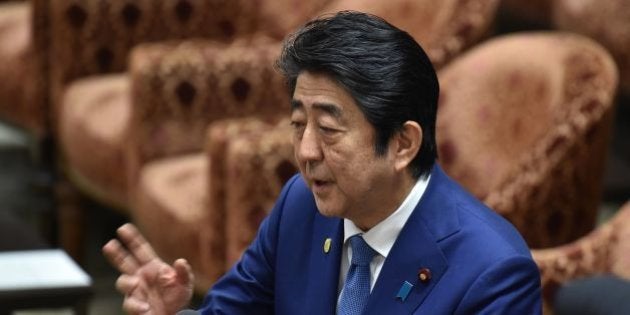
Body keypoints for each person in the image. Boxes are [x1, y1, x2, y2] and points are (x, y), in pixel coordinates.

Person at [103, 11, 542, 314]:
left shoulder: (492, 273)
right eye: (298, 125)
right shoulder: (302, 204)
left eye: (328, 131)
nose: (306, 152)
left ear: (403, 144)